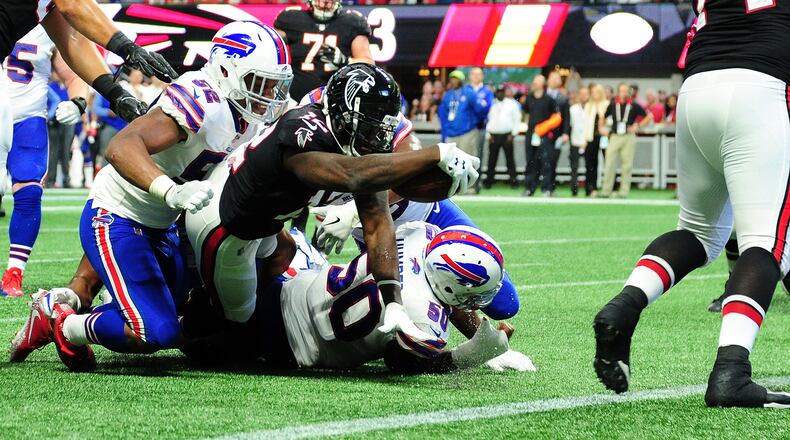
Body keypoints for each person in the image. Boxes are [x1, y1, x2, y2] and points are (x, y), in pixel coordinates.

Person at [8, 22, 290, 370]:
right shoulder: (204, 101)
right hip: (119, 216)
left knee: (156, 305)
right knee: (155, 331)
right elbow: (122, 147)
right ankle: (64, 325)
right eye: (260, 83)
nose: (269, 94)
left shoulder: (245, 114)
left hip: (163, 224)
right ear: (226, 70)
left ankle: (55, 305)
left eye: (276, 84)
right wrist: (171, 190)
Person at [182, 63, 480, 344]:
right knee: (237, 321)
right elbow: (352, 175)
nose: (376, 137)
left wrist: (393, 302)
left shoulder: (353, 140)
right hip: (226, 223)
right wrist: (435, 154)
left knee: (282, 260)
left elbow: (377, 222)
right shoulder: (302, 130)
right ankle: (186, 317)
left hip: (268, 222)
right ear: (341, 115)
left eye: (383, 129)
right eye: (369, 127)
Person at [593, 1, 790, 408]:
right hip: (762, 87)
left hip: (698, 86)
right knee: (765, 242)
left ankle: (625, 306)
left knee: (698, 233)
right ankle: (731, 371)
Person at [181, 222, 535, 374]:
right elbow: (403, 364)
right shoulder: (421, 318)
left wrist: (477, 331)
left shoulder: (421, 236)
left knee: (280, 240)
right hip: (289, 345)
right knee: (194, 341)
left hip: (295, 286)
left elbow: (443, 294)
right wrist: (470, 354)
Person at [0, 25, 87, 298]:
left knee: (29, 192)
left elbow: (74, 71)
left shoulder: (50, 21)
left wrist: (78, 102)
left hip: (28, 119)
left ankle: (14, 272)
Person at [274, 0, 373, 102]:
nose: (325, 2)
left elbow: (368, 63)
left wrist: (345, 61)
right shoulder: (291, 18)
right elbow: (272, 47)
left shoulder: (352, 21)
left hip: (335, 100)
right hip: (293, 99)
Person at [598, 83, 652, 198]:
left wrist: (637, 126)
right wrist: (601, 128)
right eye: (621, 91)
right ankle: (606, 190)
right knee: (609, 163)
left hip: (628, 136)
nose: (623, 93)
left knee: (626, 165)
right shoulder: (613, 104)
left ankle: (623, 191)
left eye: (625, 91)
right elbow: (603, 116)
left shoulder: (634, 105)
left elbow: (649, 116)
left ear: (629, 92)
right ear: (618, 92)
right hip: (614, 136)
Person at [522, 74, 560, 197]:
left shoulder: (549, 99)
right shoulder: (529, 98)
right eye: (534, 81)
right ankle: (529, 188)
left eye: (538, 81)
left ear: (543, 84)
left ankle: (547, 188)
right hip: (531, 133)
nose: (535, 84)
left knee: (546, 162)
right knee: (530, 162)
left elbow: (556, 117)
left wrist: (545, 128)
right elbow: (526, 113)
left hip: (544, 135)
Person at [438, 70, 486, 158]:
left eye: (457, 79)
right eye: (452, 79)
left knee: (465, 159)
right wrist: (445, 132)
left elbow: (480, 110)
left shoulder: (469, 93)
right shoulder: (448, 95)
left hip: (466, 132)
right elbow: (443, 114)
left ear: (461, 80)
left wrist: (474, 124)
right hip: (451, 133)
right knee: (451, 161)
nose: (454, 81)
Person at [484, 84, 521, 189]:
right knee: (491, 160)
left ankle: (514, 181)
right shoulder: (491, 103)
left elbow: (517, 119)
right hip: (493, 135)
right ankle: (488, 182)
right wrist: (488, 134)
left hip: (507, 135)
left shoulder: (512, 103)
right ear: (496, 93)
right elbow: (486, 119)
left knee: (510, 160)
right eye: (498, 91)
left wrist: (513, 134)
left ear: (505, 92)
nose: (500, 93)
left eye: (502, 91)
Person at [467, 68, 493, 194]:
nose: (476, 76)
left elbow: (486, 108)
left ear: (482, 76)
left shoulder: (487, 91)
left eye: (478, 74)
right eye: (474, 74)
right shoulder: (466, 90)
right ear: (470, 76)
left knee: (477, 156)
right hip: (466, 129)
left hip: (479, 128)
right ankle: (464, 185)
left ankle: (475, 185)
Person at [546, 71, 570, 194]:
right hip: (541, 133)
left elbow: (566, 117)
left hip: (556, 134)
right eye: (553, 78)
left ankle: (550, 187)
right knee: (538, 160)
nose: (555, 81)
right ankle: (535, 186)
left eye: (557, 79)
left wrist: (565, 133)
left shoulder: (563, 98)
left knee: (552, 160)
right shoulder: (541, 95)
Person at [583, 84, 608, 197]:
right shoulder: (588, 105)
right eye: (593, 92)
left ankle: (608, 187)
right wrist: (583, 139)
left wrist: (600, 109)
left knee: (608, 162)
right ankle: (590, 187)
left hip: (604, 137)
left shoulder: (606, 104)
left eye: (597, 92)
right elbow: (585, 123)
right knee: (591, 164)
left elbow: (607, 119)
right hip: (591, 137)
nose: (594, 95)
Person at [568, 86, 588, 196]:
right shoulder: (573, 109)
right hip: (575, 140)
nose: (584, 96)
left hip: (588, 141)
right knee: (574, 167)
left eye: (586, 94)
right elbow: (570, 125)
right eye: (582, 94)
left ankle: (589, 188)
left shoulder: (591, 108)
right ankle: (574, 189)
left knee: (589, 166)